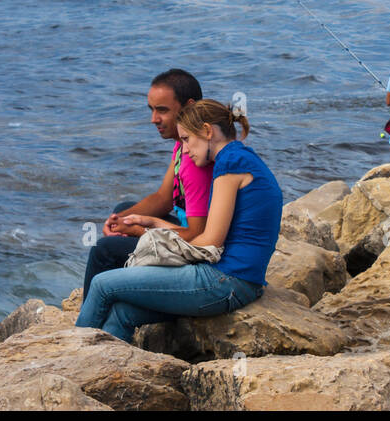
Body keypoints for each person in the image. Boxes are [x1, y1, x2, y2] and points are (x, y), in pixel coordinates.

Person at [76, 98, 282, 342]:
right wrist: (152, 224)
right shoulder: (239, 156)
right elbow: (209, 234)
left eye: (186, 139)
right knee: (122, 313)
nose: (185, 150)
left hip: (225, 282)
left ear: (207, 131)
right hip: (239, 282)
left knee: (103, 284)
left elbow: (210, 241)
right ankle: (99, 369)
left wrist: (152, 242)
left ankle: (72, 353)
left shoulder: (231, 163)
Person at [81, 68, 213, 299]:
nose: (154, 119)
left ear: (189, 107)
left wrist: (138, 230)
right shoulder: (183, 146)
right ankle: (119, 288)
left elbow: (198, 234)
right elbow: (163, 199)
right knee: (123, 209)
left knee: (103, 250)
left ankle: (92, 315)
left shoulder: (196, 159)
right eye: (151, 110)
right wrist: (119, 221)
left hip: (197, 246)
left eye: (162, 110)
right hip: (183, 231)